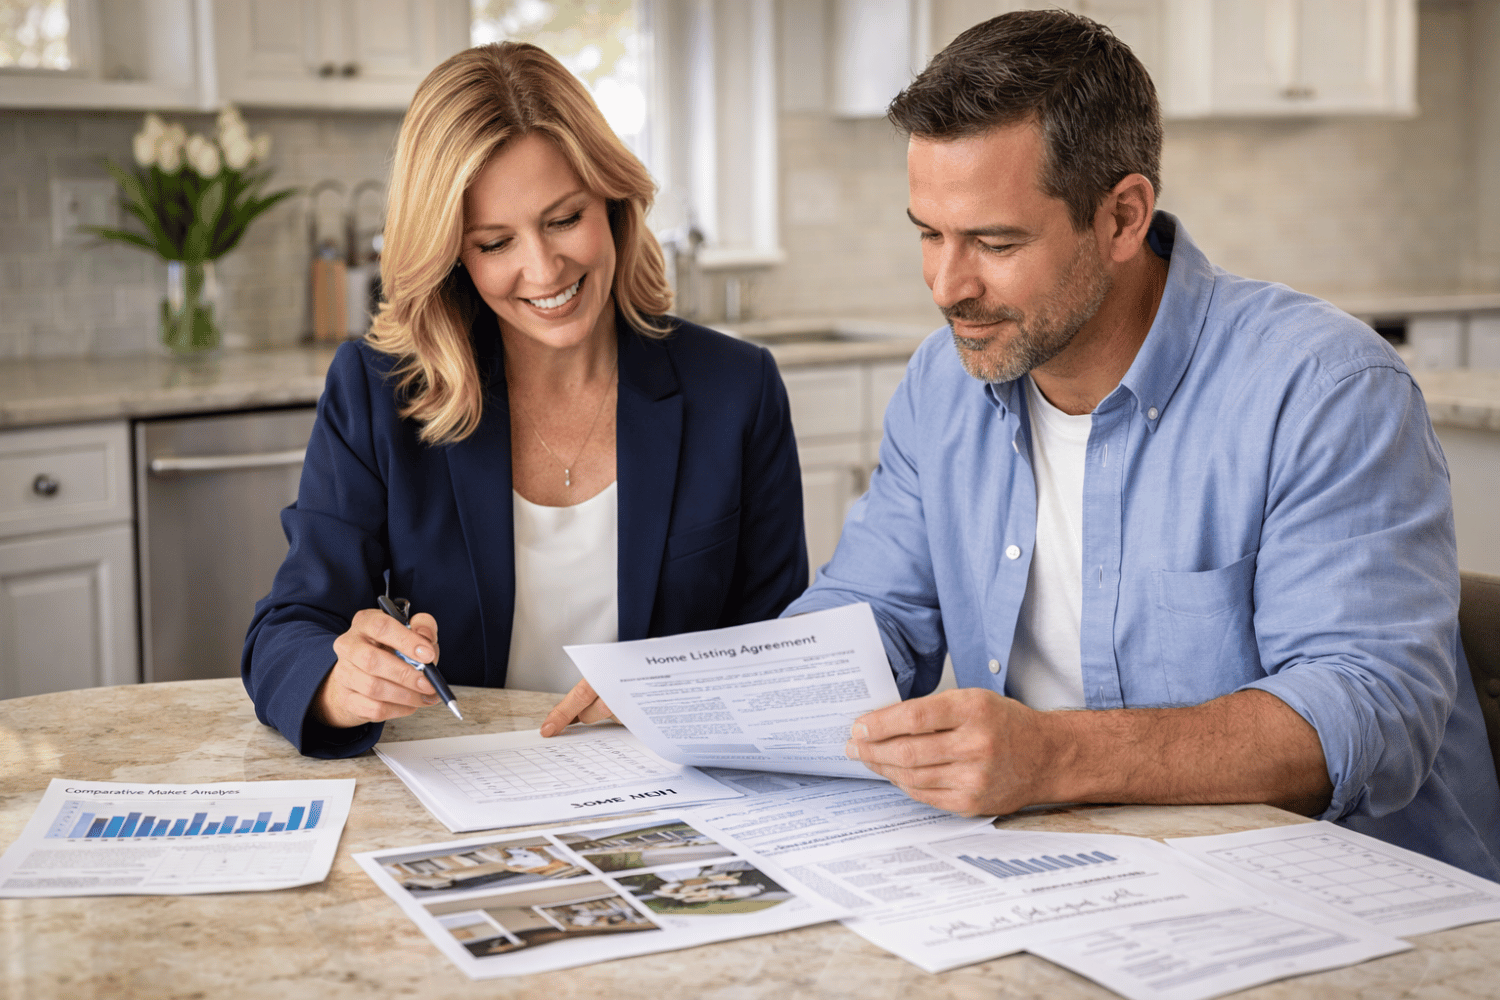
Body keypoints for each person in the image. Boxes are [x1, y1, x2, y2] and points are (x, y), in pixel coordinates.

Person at [779, 9, 1500, 880]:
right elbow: (872, 614)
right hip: (1080, 877)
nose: (946, 285)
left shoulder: (1327, 389)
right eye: (929, 234)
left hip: (1351, 901)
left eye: (995, 242)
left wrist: (1051, 756)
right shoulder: (943, 383)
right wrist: (708, 695)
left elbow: (1368, 711)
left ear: (1123, 217)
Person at [243, 42, 808, 758]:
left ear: (612, 199)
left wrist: (677, 694)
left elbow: (785, 652)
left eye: (565, 218)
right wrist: (338, 682)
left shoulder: (736, 388)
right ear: (452, 253)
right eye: (495, 242)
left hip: (674, 793)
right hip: (466, 789)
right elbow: (286, 631)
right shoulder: (378, 391)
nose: (543, 269)